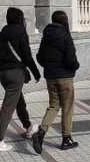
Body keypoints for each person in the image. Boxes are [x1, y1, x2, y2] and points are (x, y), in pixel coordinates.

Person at [0, 7, 41, 152]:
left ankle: (29, 127)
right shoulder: (21, 32)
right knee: (7, 108)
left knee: (19, 101)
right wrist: (36, 73)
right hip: (15, 74)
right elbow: (27, 56)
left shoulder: (2, 34)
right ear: (19, 18)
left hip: (3, 74)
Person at [33, 10, 80, 153]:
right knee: (67, 107)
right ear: (65, 21)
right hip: (65, 77)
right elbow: (71, 59)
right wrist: (75, 66)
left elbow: (40, 56)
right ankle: (66, 138)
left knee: (53, 105)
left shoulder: (46, 35)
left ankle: (41, 131)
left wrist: (49, 66)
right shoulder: (65, 35)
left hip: (50, 76)